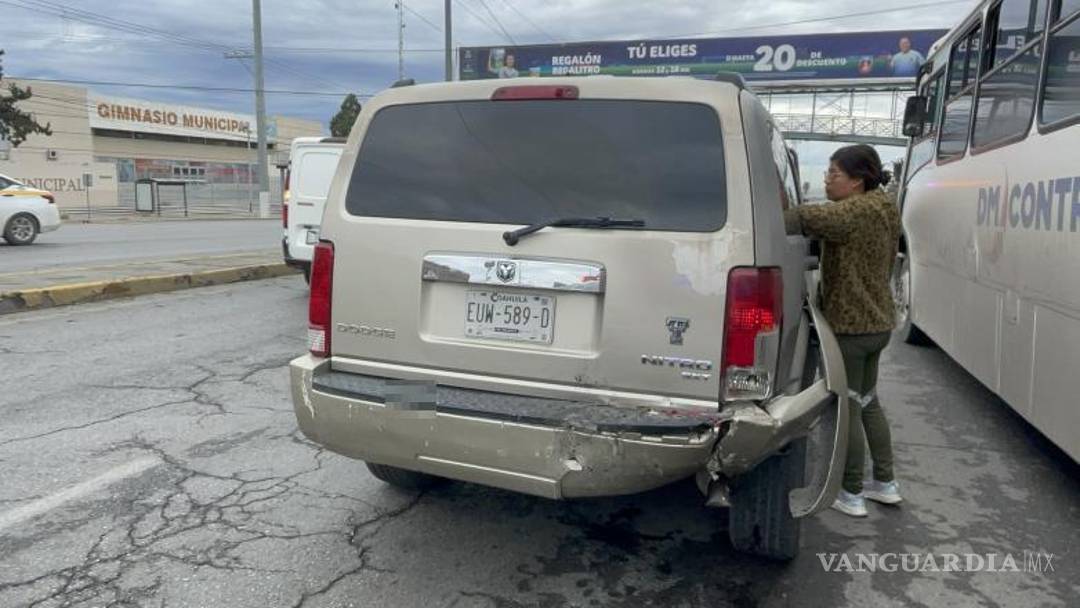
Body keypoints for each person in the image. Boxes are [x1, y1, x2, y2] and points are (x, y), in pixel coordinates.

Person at [784, 144, 903, 518]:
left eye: (833, 173)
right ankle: (885, 483)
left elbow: (804, 217)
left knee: (847, 407)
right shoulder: (885, 206)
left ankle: (850, 491)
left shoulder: (852, 212)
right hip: (879, 322)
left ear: (857, 180)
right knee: (868, 402)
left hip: (851, 327)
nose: (827, 179)